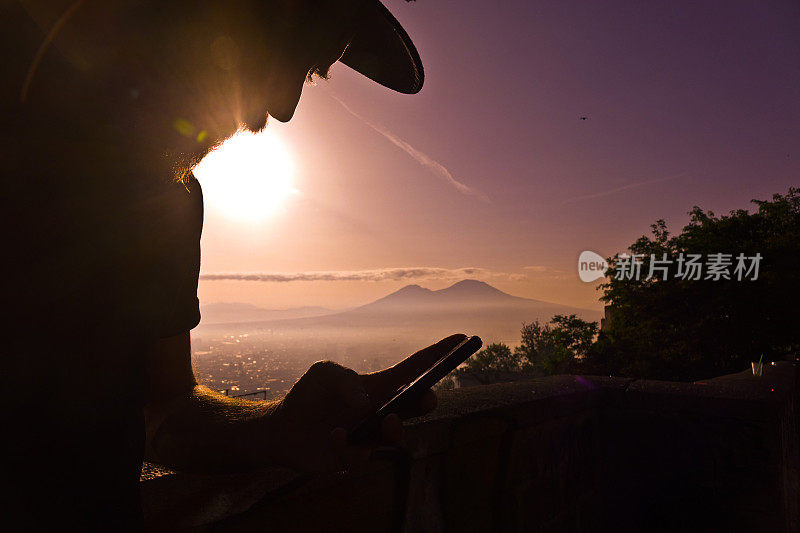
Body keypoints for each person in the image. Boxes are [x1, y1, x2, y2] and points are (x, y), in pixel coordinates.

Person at [1, 0, 463, 529]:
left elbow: (162, 410)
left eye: (310, 72)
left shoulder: (165, 206)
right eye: (286, 46)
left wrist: (275, 429)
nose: (285, 106)